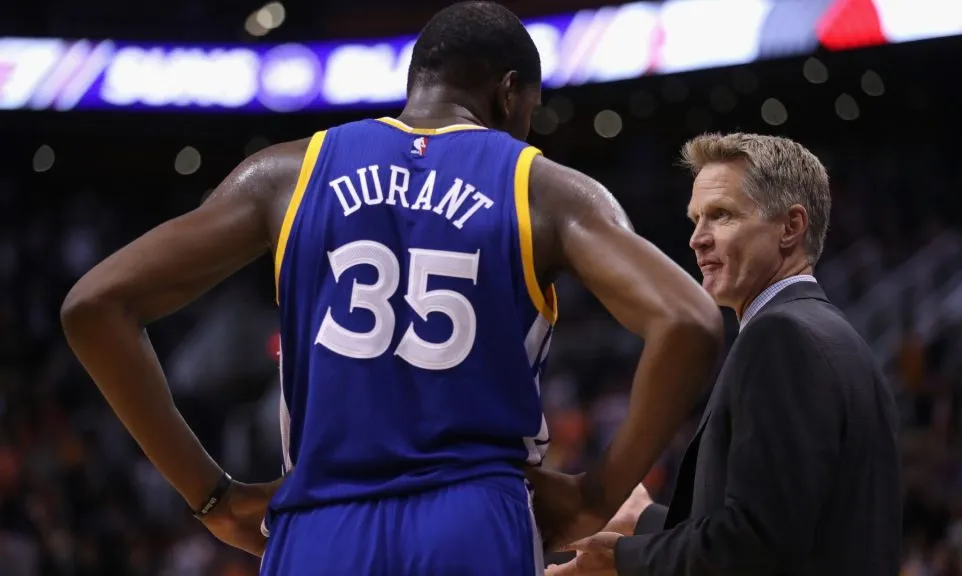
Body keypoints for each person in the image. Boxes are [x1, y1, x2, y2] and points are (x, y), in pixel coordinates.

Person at [59, 3, 723, 575]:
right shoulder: (545, 189)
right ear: (510, 92)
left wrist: (212, 497)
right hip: (472, 516)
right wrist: (595, 495)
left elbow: (95, 306)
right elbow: (689, 320)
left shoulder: (286, 174)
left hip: (321, 520)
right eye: (531, 111)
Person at [546, 133, 902, 576]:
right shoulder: (834, 337)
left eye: (721, 216)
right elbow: (780, 523)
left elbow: (754, 546)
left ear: (790, 227)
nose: (697, 239)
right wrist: (643, 521)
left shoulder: (781, 338)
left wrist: (620, 561)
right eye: (696, 219)